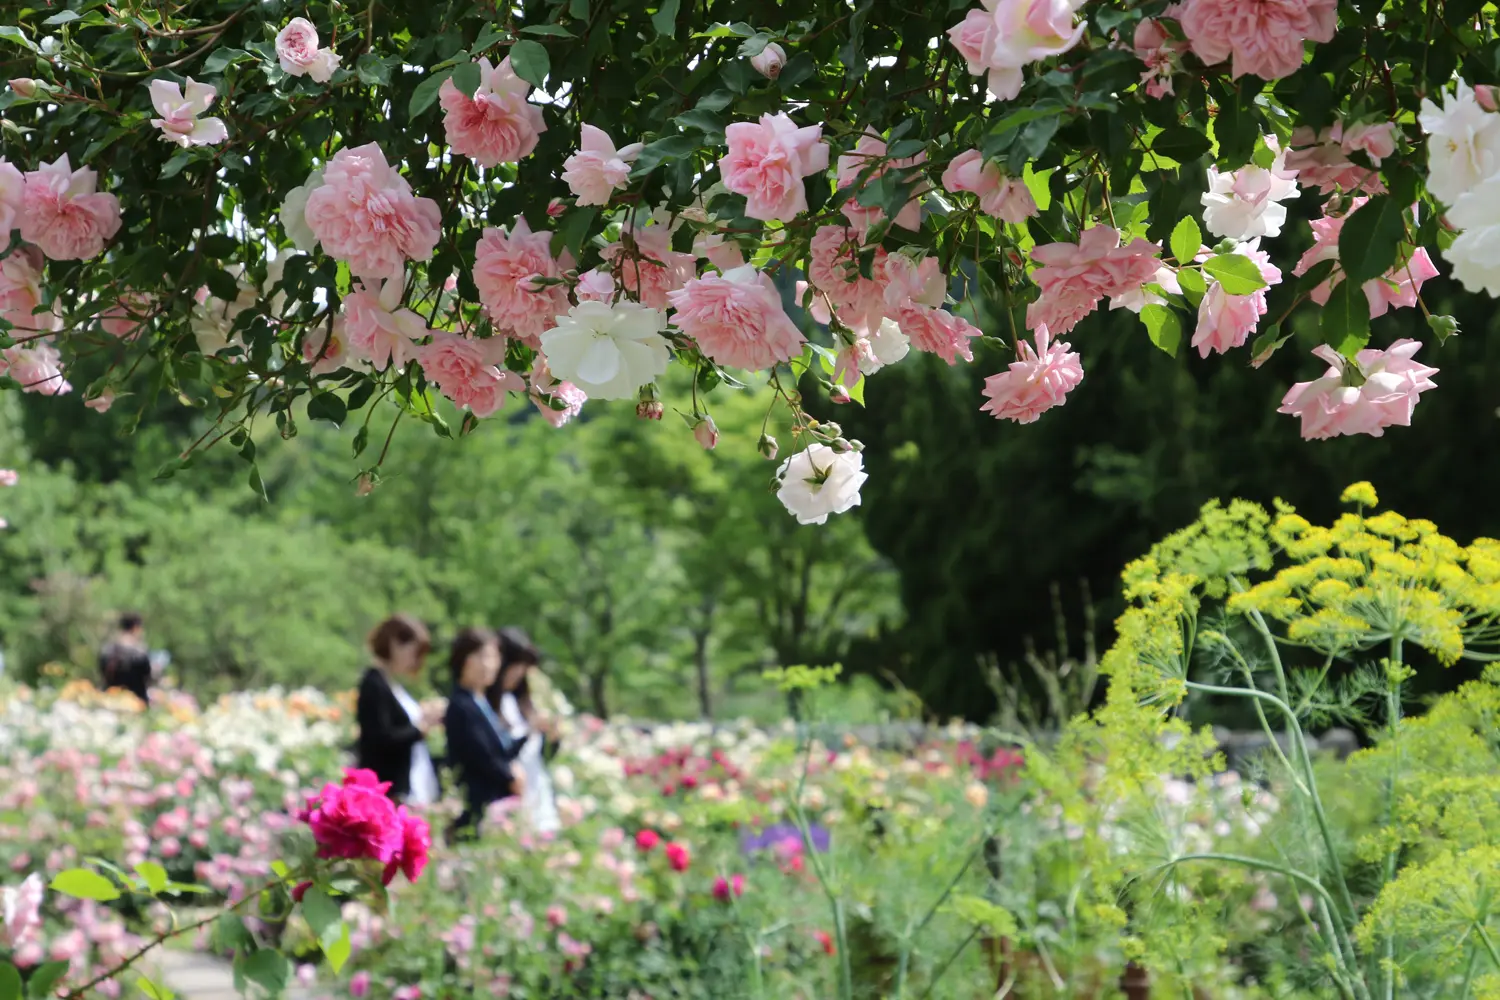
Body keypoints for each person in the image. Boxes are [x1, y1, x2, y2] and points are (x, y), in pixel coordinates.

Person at [443, 628, 523, 839]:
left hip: (496, 806)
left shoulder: (483, 702)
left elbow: (502, 749)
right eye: (482, 656)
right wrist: (510, 776)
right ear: (464, 660)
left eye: (493, 657)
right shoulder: (461, 705)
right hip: (476, 807)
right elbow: (482, 755)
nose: (489, 664)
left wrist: (535, 732)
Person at [356, 614, 441, 806]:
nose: (415, 661)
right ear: (395, 644)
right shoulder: (374, 684)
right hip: (385, 789)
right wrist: (420, 730)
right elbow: (380, 737)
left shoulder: (391, 684)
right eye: (414, 652)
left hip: (401, 787)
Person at [485, 627, 560, 834]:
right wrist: (529, 732)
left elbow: (538, 757)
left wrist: (552, 737)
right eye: (515, 665)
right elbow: (501, 754)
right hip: (510, 807)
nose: (519, 672)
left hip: (539, 800)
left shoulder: (521, 703)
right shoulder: (488, 706)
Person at [98, 613, 152, 705]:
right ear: (135, 628)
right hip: (136, 701)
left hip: (109, 698)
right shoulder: (139, 651)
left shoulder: (108, 648)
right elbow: (147, 676)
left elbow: (102, 669)